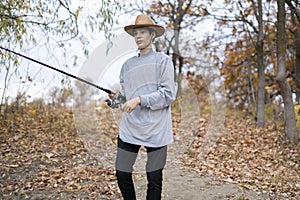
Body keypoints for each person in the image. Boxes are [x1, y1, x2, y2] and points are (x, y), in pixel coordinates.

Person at [109, 14, 176, 200]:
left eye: (143, 32)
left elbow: (168, 94)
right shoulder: (127, 65)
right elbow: (125, 100)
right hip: (130, 128)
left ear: (152, 35)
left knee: (154, 179)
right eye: (136, 33)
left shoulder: (163, 61)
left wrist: (139, 99)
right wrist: (116, 99)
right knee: (122, 172)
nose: (138, 36)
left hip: (157, 129)